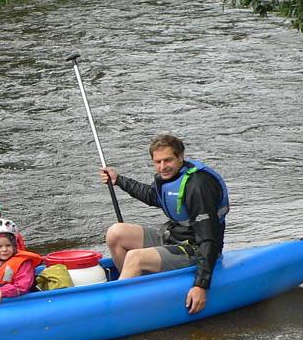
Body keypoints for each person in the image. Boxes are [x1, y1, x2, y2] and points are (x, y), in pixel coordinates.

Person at [98, 134, 229, 315]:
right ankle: (134, 289)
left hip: (195, 249)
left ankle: (116, 311)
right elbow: (153, 196)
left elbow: (209, 239)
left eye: (168, 160)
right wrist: (118, 180)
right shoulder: (170, 177)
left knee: (135, 257)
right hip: (173, 237)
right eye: (157, 162)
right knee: (116, 233)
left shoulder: (198, 186)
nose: (162, 167)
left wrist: (200, 286)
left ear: (180, 157)